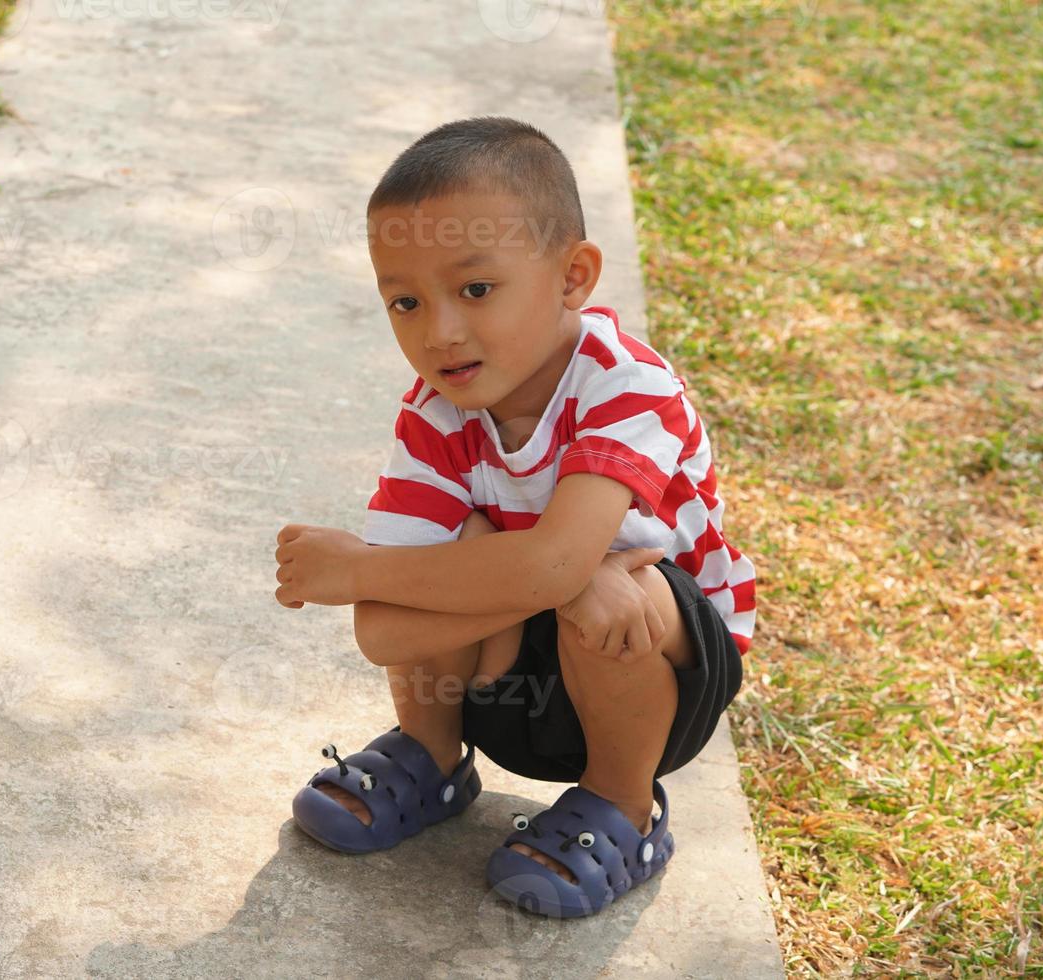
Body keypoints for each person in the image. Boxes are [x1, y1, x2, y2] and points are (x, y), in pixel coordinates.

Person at [272, 116, 756, 919]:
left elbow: (561, 569)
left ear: (573, 277)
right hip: (518, 666)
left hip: (664, 667)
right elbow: (384, 635)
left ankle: (622, 808)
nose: (440, 332)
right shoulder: (435, 415)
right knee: (476, 554)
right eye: (405, 301)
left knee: (613, 593)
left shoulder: (624, 387)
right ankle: (430, 756)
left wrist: (358, 567)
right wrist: (526, 569)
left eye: (475, 288)